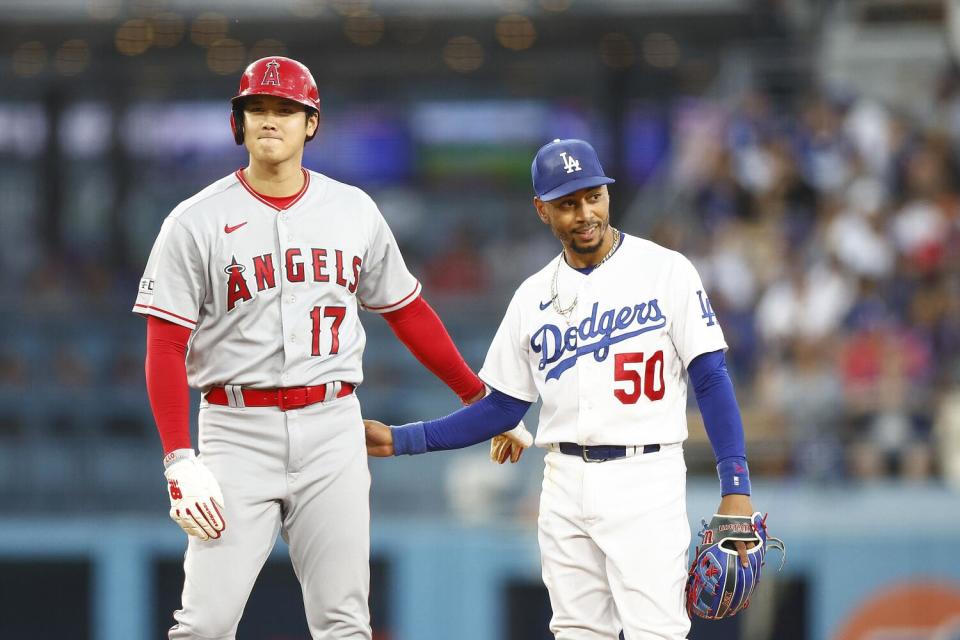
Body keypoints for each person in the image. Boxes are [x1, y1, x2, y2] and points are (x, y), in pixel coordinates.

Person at [133, 56, 516, 640]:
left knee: (343, 624)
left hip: (333, 424)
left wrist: (479, 399)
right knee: (203, 624)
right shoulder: (195, 221)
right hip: (236, 430)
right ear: (238, 123)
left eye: (286, 109)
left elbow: (407, 311)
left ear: (312, 123)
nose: (270, 119)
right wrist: (179, 458)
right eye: (257, 108)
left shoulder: (352, 209)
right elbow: (165, 345)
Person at [365, 138, 756, 639]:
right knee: (574, 632)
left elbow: (711, 378)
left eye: (593, 196)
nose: (585, 212)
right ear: (541, 210)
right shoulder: (532, 296)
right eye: (568, 203)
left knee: (656, 632)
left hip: (646, 474)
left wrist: (736, 485)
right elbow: (503, 406)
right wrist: (403, 440)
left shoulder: (667, 271)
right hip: (564, 479)